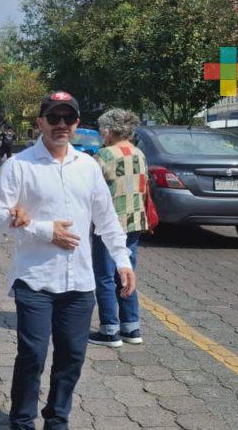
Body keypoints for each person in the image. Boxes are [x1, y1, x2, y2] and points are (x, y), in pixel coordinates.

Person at [0, 91, 136, 430]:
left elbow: (107, 220)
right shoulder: (19, 165)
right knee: (32, 355)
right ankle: (22, 420)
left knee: (72, 357)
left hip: (79, 283)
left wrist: (123, 261)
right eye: (54, 117)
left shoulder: (88, 167)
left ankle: (57, 419)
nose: (61, 124)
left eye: (69, 118)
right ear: (40, 122)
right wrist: (42, 229)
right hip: (34, 280)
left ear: (77, 123)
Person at [88, 109, 148, 348]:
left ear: (109, 130)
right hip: (134, 221)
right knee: (126, 272)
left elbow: (90, 190)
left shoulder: (103, 155)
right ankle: (131, 327)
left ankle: (109, 330)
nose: (101, 134)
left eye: (102, 129)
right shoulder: (139, 154)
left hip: (109, 224)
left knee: (104, 276)